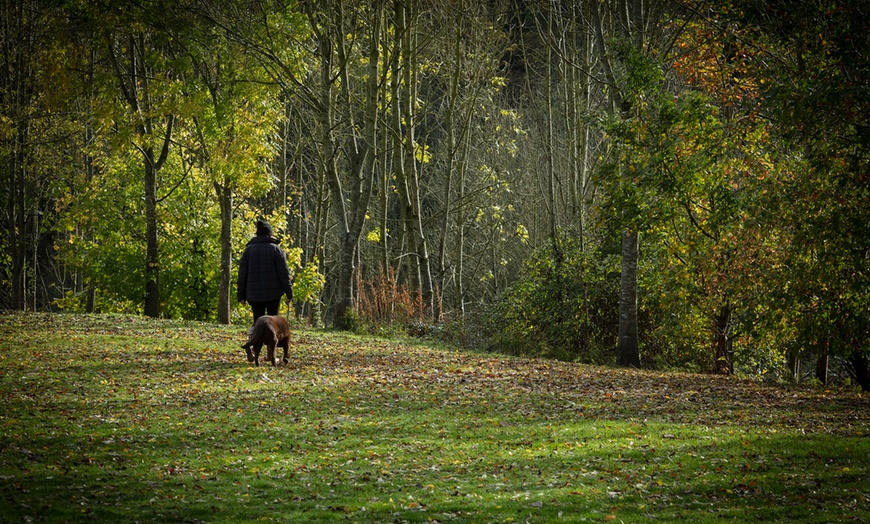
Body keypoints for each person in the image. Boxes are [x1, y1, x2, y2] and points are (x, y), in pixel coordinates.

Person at [237, 219, 294, 325]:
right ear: (269, 234)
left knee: (258, 322)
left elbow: (242, 274)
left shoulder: (248, 250)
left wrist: (241, 295)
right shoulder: (276, 250)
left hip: (254, 293)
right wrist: (289, 292)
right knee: (273, 323)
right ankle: (272, 340)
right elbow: (283, 273)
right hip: (274, 293)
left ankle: (257, 340)